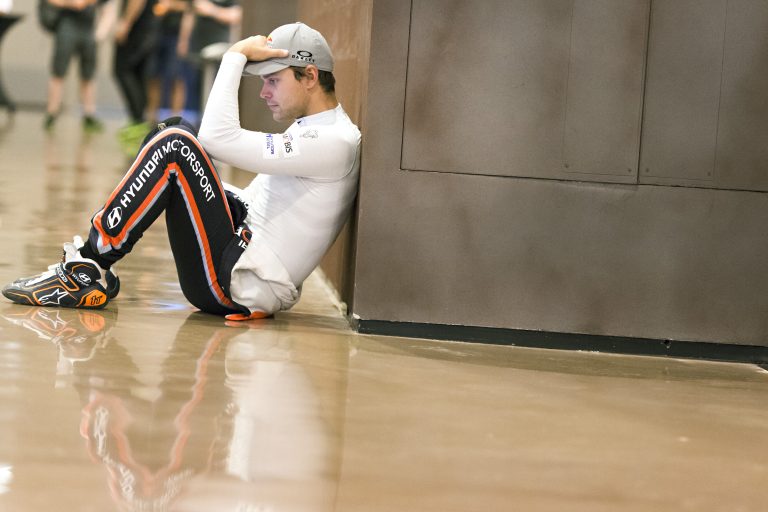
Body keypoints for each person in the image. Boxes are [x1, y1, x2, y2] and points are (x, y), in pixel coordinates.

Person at [3, 22, 361, 321]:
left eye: (273, 81)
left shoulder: (333, 142)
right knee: (171, 131)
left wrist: (234, 56)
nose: (264, 93)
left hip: (234, 283)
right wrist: (189, 181)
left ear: (309, 76)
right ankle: (91, 266)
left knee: (177, 145)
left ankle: (86, 269)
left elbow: (216, 139)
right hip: (237, 260)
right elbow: (254, 202)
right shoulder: (316, 132)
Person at [43, 0, 108, 131]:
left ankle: (89, 114)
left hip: (88, 27)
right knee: (58, 72)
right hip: (67, 26)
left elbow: (105, 6)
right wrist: (71, 3)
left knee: (88, 75)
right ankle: (52, 112)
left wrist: (101, 32)